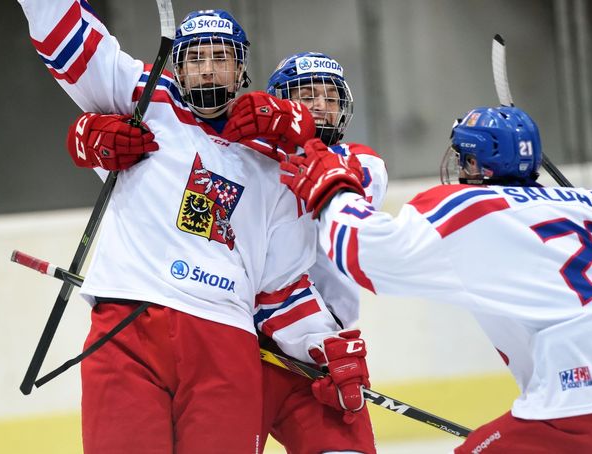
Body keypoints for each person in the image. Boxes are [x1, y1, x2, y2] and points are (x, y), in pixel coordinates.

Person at [20, 2, 358, 452]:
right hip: (127, 326)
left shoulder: (273, 157)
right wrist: (86, 135)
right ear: (177, 64)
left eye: (221, 58)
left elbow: (281, 286)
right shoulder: (141, 97)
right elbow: (66, 37)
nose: (207, 71)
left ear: (241, 68)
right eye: (195, 58)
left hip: (225, 340)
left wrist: (323, 348)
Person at [276, 105, 592, 453]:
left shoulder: (469, 206)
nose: (460, 168)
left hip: (581, 404)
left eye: (465, 159)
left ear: (480, 166)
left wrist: (333, 190)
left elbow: (367, 253)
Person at [251, 51, 388, 454]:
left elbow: (353, 183)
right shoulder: (245, 162)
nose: (321, 106)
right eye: (307, 95)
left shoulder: (359, 161)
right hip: (244, 354)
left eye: (330, 97)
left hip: (321, 359)